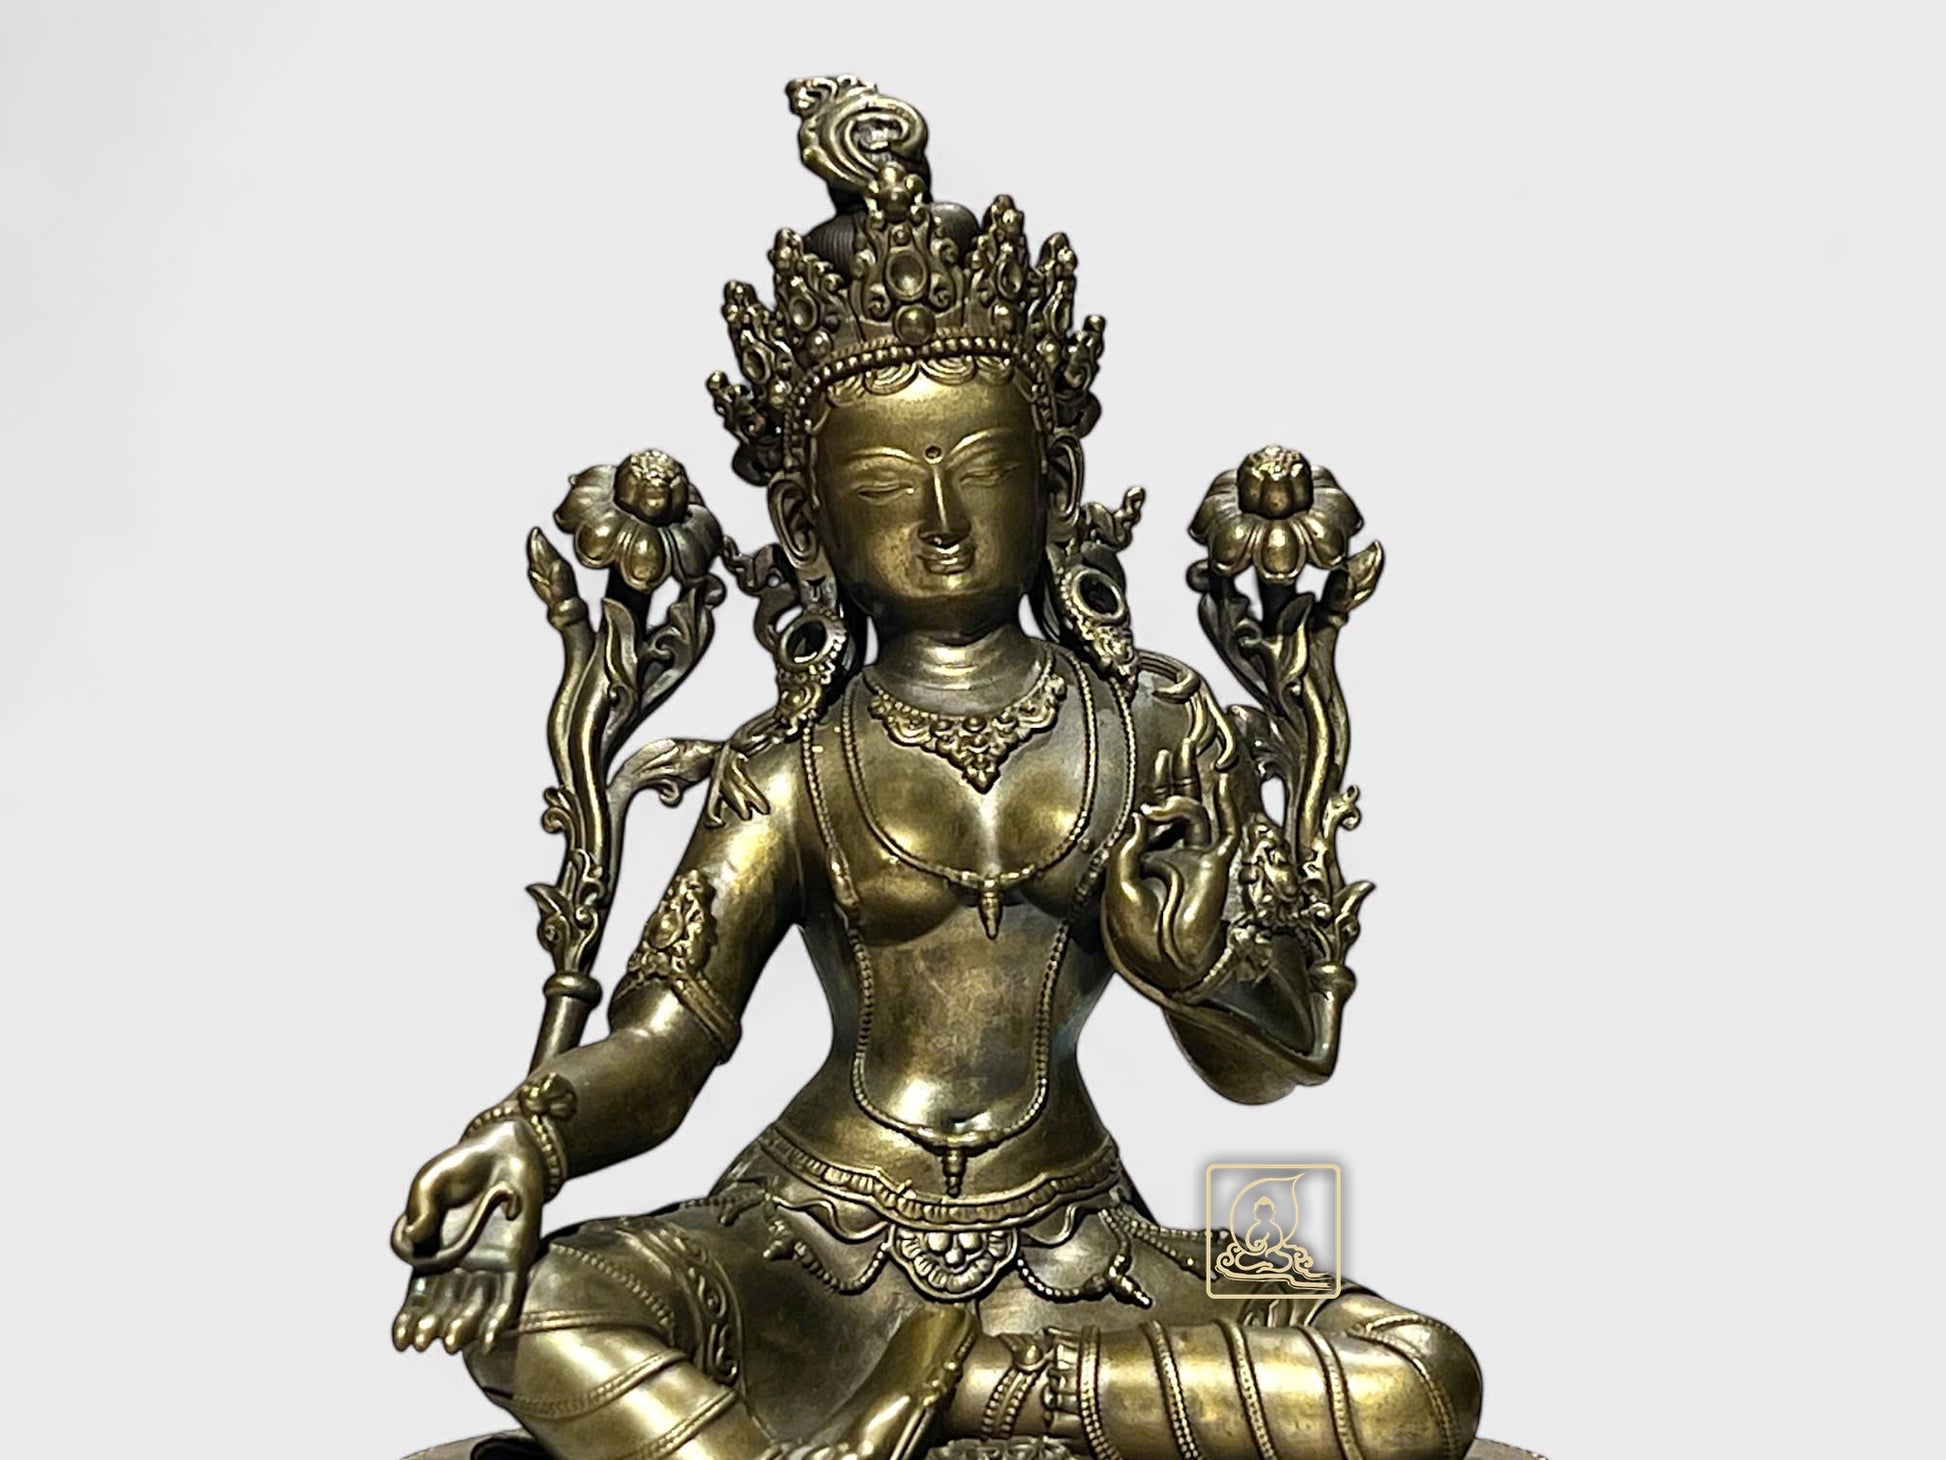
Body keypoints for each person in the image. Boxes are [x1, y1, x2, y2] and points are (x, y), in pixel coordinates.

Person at [391, 77, 1481, 1460]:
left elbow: (1273, 1071)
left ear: (1054, 483)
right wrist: (529, 1138)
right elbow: (667, 1046)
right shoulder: (790, 765)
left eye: (982, 467)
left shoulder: (1153, 728)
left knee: (1418, 1383)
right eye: (883, 487)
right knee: (533, 1307)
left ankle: (965, 1390)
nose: (944, 519)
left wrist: (1192, 971)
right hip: (806, 1243)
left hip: (1079, 1246)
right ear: (811, 527)